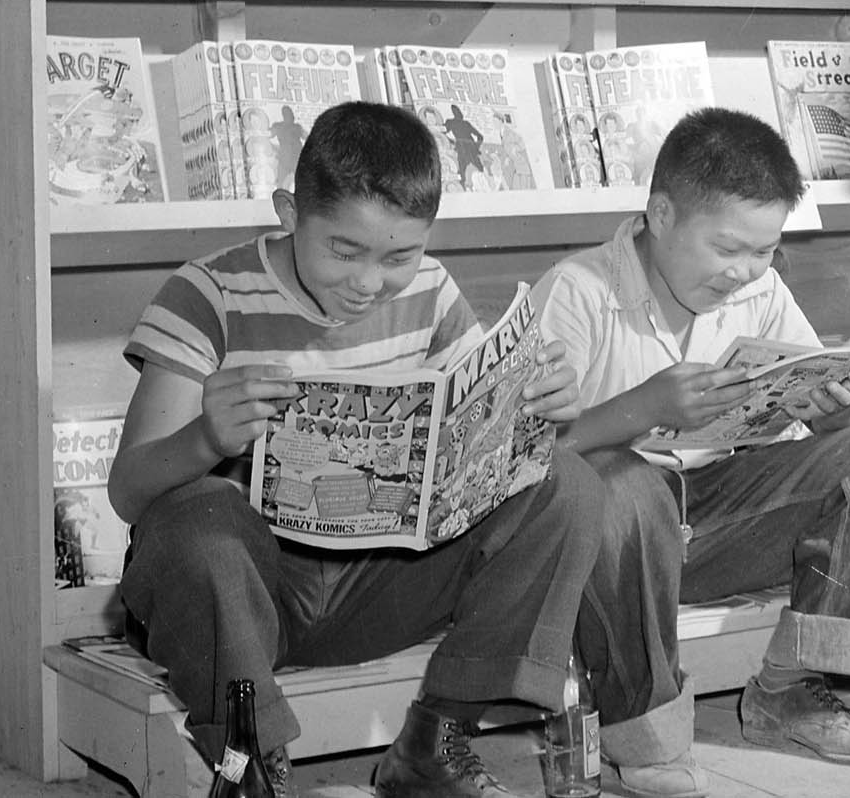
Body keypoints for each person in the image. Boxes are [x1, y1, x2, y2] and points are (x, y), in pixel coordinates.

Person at [110, 102, 600, 798]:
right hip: (246, 602)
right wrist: (205, 439)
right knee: (196, 517)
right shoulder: (207, 294)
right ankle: (255, 769)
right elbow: (130, 489)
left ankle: (437, 739)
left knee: (567, 482)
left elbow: (481, 448)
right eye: (345, 249)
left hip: (380, 581)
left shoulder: (430, 290)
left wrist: (541, 409)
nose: (371, 282)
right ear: (289, 211)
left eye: (399, 255)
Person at [534, 107, 850, 797]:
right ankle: (646, 732)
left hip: (721, 517)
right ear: (660, 214)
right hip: (611, 551)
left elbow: (840, 423)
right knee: (620, 482)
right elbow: (521, 466)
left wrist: (843, 411)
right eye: (727, 248)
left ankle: (792, 688)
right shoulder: (577, 292)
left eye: (764, 249)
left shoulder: (760, 289)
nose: (744, 270)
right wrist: (644, 410)